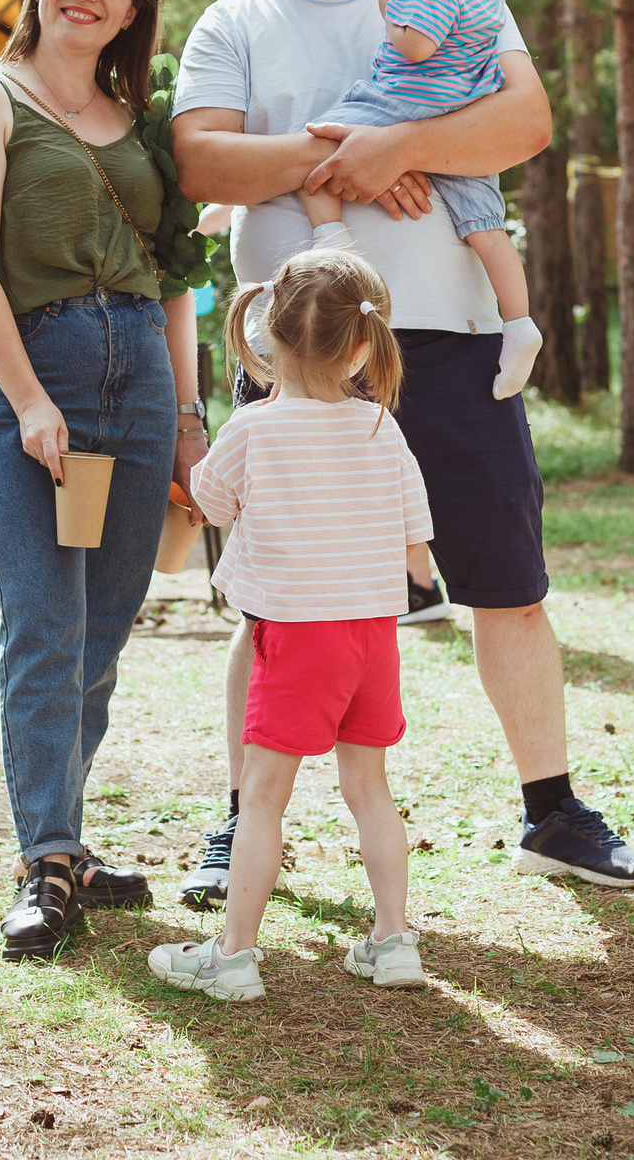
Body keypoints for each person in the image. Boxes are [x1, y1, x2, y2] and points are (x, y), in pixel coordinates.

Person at [170, 0, 634, 909]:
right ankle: (246, 820)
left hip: (448, 335)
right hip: (297, 355)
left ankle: (554, 814)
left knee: (506, 582)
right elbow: (201, 162)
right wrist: (333, 160)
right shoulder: (236, 21)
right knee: (275, 605)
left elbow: (523, 123)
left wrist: (405, 143)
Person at [0, 0, 205, 962]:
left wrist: (187, 416)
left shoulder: (142, 120)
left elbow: (178, 274)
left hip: (136, 379)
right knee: (42, 623)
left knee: (101, 626)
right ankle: (43, 859)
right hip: (24, 384)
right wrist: (31, 399)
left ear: (133, 9)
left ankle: (70, 844)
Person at [149, 248, 433, 1003]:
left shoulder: (254, 427)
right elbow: (417, 541)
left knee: (263, 797)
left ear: (268, 338)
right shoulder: (382, 427)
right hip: (371, 634)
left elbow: (207, 502)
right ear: (365, 345)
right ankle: (394, 938)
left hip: (296, 635)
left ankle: (234, 954)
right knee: (370, 788)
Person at [294, 0, 541, 399]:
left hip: (408, 99)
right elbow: (450, 8)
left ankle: (333, 247)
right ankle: (522, 325)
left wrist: (388, 5)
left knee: (319, 147)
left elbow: (416, 45)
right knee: (486, 228)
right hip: (466, 114)